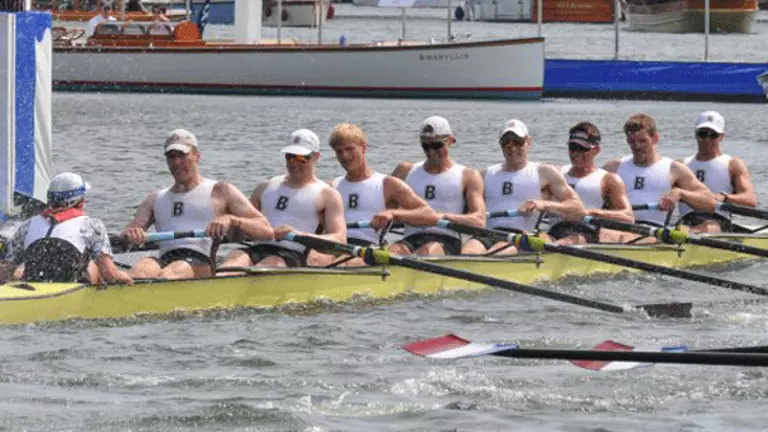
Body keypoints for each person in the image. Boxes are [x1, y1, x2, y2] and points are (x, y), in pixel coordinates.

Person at [122, 129, 274, 279]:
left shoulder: (220, 191)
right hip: (165, 258)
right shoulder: (154, 198)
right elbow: (126, 236)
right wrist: (131, 235)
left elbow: (266, 230)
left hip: (200, 261)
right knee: (141, 269)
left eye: (182, 155)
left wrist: (232, 220)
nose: (176, 162)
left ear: (197, 156)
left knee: (171, 272)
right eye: (171, 156)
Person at [220, 129, 346, 269]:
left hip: (292, 254)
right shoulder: (264, 188)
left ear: (316, 156)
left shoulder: (327, 195)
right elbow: (239, 231)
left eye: (301, 158)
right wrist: (229, 223)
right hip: (256, 248)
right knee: (233, 260)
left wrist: (298, 233)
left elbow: (340, 240)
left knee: (272, 263)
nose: (294, 163)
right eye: (290, 156)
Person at [464, 119, 585, 255]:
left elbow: (578, 209)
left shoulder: (544, 173)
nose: (512, 146)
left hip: (522, 238)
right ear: (500, 144)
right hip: (486, 234)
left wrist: (542, 204)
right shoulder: (484, 174)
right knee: (467, 253)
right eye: (506, 142)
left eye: (517, 141)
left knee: (494, 254)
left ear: (528, 142)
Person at [328, 123, 437, 265]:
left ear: (364, 147)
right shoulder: (331, 186)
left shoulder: (388, 184)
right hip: (333, 245)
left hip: (368, 248)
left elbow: (429, 214)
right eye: (339, 151)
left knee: (343, 263)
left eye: (350, 149)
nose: (345, 156)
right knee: (314, 259)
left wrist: (393, 214)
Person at [3, 172, 133, 285]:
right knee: (95, 268)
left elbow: (5, 271)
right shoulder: (91, 225)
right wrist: (126, 277)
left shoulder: (28, 224)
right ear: (81, 201)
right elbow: (109, 274)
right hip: (71, 290)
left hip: (33, 286)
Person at [390, 116, 485, 256]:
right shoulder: (404, 171)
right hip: (411, 238)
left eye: (436, 145)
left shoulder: (468, 175)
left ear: (451, 141)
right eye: (426, 146)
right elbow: (384, 209)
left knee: (428, 250)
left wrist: (439, 217)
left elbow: (479, 220)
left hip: (447, 240)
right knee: (390, 252)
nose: (431, 152)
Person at [603, 113, 715, 232]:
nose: (637, 146)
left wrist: (681, 193)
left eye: (643, 141)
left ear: (655, 138)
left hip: (654, 232)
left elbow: (710, 203)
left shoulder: (674, 169)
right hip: (617, 228)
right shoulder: (613, 168)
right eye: (632, 142)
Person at [548, 121, 634, 244]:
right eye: (572, 148)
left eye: (582, 148)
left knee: (565, 242)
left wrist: (588, 212)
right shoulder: (556, 173)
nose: (575, 153)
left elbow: (628, 217)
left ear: (597, 150)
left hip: (586, 234)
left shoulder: (609, 180)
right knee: (532, 240)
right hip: (554, 231)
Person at [677, 111, 757, 232]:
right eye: (702, 134)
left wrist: (723, 197)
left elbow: (750, 199)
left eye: (713, 135)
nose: (707, 139)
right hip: (687, 219)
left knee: (710, 226)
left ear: (721, 137)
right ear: (696, 134)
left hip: (718, 220)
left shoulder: (733, 164)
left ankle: (685, 235)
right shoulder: (681, 164)